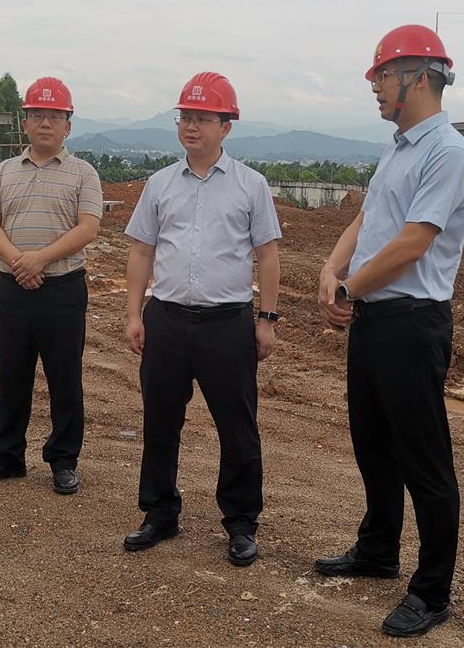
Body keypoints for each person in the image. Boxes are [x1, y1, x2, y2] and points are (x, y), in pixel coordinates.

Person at [314, 25, 464, 638]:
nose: (376, 86)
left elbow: (413, 242)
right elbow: (367, 218)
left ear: (418, 76)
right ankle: (378, 549)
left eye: (382, 75)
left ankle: (432, 591)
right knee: (373, 444)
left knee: (424, 461)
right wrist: (331, 269)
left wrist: (349, 288)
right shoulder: (398, 149)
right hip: (374, 321)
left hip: (412, 323)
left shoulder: (448, 153)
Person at [123, 72, 281, 566]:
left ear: (226, 126)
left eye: (203, 118)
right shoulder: (159, 184)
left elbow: (267, 255)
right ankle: (159, 513)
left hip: (226, 324)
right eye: (185, 117)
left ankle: (240, 522)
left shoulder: (251, 185)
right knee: (160, 422)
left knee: (237, 428)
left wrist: (266, 319)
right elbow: (141, 251)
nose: (191, 126)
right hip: (167, 320)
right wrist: (134, 313)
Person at [0, 77, 103, 495]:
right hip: (12, 288)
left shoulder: (83, 173)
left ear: (68, 126)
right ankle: (7, 456)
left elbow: (88, 227)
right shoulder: (4, 172)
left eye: (54, 116)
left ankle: (63, 460)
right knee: (12, 376)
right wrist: (18, 261)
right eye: (37, 115)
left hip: (63, 291)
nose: (45, 123)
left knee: (65, 379)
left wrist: (40, 259)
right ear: (24, 123)